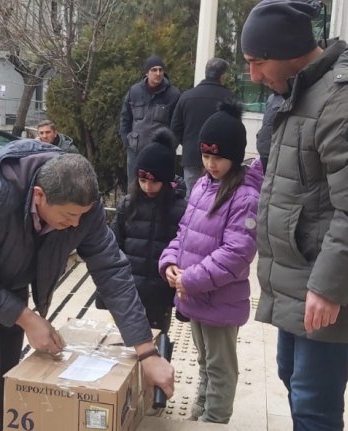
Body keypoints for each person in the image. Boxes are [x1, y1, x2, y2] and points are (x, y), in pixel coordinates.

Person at [0, 140, 174, 431]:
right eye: (68, 216)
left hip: (9, 276)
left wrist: (147, 352)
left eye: (81, 216)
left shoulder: (82, 203)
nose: (75, 225)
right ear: (39, 196)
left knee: (9, 376)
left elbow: (111, 268)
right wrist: (27, 317)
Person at [241, 1, 348, 429]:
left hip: (326, 286)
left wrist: (329, 288)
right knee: (293, 380)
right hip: (299, 278)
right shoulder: (300, 91)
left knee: (315, 406)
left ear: (290, 51)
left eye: (258, 62)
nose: (254, 76)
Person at [159, 100, 263, 423]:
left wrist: (188, 278)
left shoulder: (245, 196)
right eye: (205, 156)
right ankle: (201, 412)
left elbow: (236, 254)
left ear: (234, 155)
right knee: (204, 362)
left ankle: (214, 419)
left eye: (218, 157)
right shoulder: (204, 185)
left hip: (218, 298)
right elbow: (184, 232)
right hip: (194, 293)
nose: (210, 163)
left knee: (220, 368)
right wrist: (170, 262)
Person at [97, 128, 187, 333]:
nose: (147, 186)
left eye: (154, 181)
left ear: (166, 181)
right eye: (142, 180)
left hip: (160, 294)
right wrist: (105, 293)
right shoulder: (128, 205)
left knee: (157, 345)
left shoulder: (180, 209)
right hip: (129, 290)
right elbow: (112, 248)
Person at [171, 57, 233, 195]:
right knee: (216, 198)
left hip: (191, 155)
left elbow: (175, 129)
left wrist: (188, 142)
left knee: (192, 197)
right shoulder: (228, 98)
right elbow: (234, 132)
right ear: (222, 76)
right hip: (219, 158)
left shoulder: (186, 96)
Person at [119, 54, 181, 185]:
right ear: (146, 72)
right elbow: (125, 117)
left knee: (159, 190)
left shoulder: (173, 94)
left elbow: (177, 125)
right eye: (154, 70)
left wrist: (169, 147)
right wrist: (126, 140)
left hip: (160, 153)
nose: (158, 73)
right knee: (133, 189)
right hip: (135, 151)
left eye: (161, 70)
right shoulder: (134, 91)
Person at [255, 92, 284, 174]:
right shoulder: (272, 97)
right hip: (267, 147)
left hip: (273, 149)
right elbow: (266, 122)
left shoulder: (285, 98)